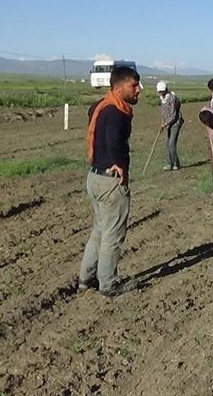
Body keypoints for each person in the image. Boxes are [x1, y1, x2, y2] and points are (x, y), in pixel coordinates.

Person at [79, 65, 141, 297]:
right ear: (118, 87)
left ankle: (86, 278)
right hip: (110, 182)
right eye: (133, 86)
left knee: (99, 231)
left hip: (94, 177)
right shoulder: (117, 112)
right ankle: (108, 284)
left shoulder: (100, 106)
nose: (138, 90)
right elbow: (114, 139)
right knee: (113, 235)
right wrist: (119, 164)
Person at [157, 81, 183, 170]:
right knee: (167, 144)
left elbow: (173, 115)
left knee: (171, 143)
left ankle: (176, 163)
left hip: (175, 123)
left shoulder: (172, 98)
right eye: (159, 92)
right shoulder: (162, 98)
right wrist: (163, 122)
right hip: (167, 123)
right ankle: (169, 164)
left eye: (161, 91)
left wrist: (164, 125)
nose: (160, 93)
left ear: (165, 90)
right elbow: (164, 112)